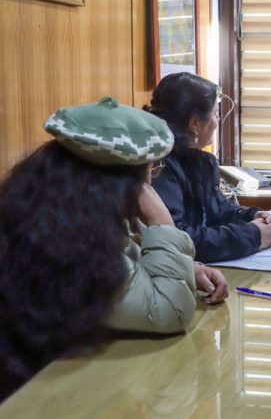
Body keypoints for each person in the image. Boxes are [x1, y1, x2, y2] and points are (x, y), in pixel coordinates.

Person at [0, 97, 228, 401]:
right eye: (152, 169)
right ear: (122, 183)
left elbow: (130, 264)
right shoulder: (76, 244)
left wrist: (189, 269)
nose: (152, 178)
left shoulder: (54, 211)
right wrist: (162, 220)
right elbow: (169, 312)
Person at [147, 72, 271, 264]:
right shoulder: (158, 168)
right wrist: (252, 235)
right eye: (215, 114)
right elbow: (179, 239)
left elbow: (219, 209)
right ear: (195, 123)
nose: (217, 122)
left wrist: (254, 217)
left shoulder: (203, 162)